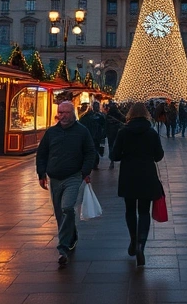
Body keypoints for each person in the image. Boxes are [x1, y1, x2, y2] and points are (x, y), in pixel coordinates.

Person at [36, 101, 97, 265]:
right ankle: (72, 234)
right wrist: (41, 173)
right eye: (60, 112)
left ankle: (62, 247)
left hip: (73, 176)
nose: (62, 116)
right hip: (54, 178)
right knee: (59, 213)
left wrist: (85, 171)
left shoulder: (82, 131)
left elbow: (90, 152)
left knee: (67, 208)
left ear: (73, 114)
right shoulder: (51, 133)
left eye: (66, 113)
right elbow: (41, 154)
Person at [109, 102, 165, 266]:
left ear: (130, 115)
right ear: (147, 114)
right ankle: (141, 244)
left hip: (128, 176)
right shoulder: (152, 133)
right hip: (147, 175)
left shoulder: (123, 132)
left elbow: (115, 155)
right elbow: (159, 156)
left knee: (130, 210)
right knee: (144, 212)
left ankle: (133, 241)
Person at [78, 100, 106, 169]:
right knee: (93, 150)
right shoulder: (90, 116)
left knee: (93, 150)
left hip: (95, 136)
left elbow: (104, 126)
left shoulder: (99, 116)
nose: (96, 107)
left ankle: (93, 163)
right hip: (92, 136)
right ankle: (93, 163)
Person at [105, 101, 126, 169]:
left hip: (112, 132)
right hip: (115, 132)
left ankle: (112, 161)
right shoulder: (116, 113)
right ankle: (113, 160)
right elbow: (124, 119)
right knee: (115, 146)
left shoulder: (109, 114)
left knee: (112, 146)